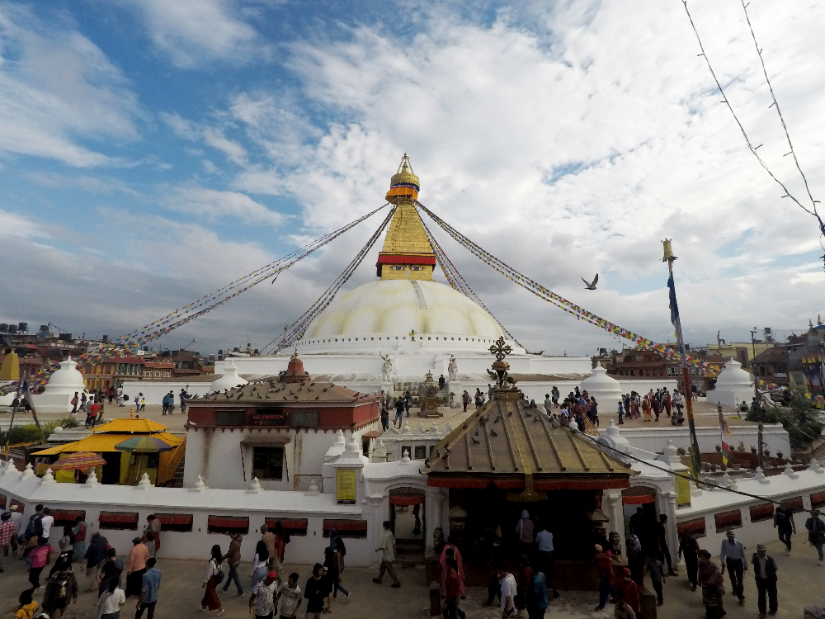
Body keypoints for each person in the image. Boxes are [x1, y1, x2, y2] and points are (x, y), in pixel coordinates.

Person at [719, 529, 746, 604]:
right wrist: (722, 561)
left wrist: (745, 564)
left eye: (732, 536)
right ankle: (735, 589)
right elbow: (722, 552)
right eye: (730, 536)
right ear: (727, 536)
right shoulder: (724, 542)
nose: (731, 538)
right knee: (732, 577)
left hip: (738, 562)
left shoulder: (739, 543)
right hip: (730, 560)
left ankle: (740, 596)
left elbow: (743, 555)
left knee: (740, 579)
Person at [751, 543, 778, 619]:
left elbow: (775, 568)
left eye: (762, 551)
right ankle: (762, 612)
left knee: (772, 595)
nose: (761, 553)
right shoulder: (755, 558)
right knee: (761, 596)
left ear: (765, 552)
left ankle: (773, 609)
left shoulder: (770, 560)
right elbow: (753, 563)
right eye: (759, 551)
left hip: (770, 580)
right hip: (760, 580)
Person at [698, 549, 725, 619]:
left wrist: (711, 581)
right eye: (701, 557)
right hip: (706, 585)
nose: (702, 559)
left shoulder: (713, 566)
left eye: (703, 557)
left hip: (714, 585)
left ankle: (718, 612)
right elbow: (700, 572)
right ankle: (709, 613)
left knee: (715, 600)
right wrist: (699, 580)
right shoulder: (701, 564)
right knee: (707, 600)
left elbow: (716, 574)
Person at [373, 520, 400, 587]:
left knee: (390, 570)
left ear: (384, 526)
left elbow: (383, 547)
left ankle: (397, 582)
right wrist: (395, 551)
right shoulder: (390, 534)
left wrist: (377, 549)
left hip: (386, 555)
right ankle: (379, 579)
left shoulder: (385, 536)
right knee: (382, 567)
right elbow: (394, 543)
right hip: (390, 554)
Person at [534, 523, 557, 599]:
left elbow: (536, 542)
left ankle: (541, 591)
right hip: (550, 554)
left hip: (542, 555)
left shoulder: (539, 534)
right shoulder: (550, 534)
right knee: (550, 572)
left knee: (542, 572)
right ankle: (550, 592)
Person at [201, 544, 224, 615]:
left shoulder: (212, 562)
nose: (210, 551)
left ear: (213, 551)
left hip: (211, 580)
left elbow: (209, 573)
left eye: (212, 550)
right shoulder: (219, 560)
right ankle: (203, 607)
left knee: (212, 594)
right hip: (216, 579)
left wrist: (205, 582)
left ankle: (220, 609)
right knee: (208, 593)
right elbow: (220, 569)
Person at [221, 531, 244, 598]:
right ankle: (224, 588)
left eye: (230, 535)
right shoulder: (239, 539)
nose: (230, 537)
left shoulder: (234, 542)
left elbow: (230, 553)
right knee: (231, 575)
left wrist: (222, 558)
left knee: (235, 576)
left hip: (233, 560)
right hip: (237, 558)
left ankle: (240, 591)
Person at [593, 544, 614, 611]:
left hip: (605, 574)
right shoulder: (604, 554)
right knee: (610, 587)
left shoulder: (606, 554)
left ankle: (601, 605)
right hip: (605, 573)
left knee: (603, 590)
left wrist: (612, 574)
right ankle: (616, 598)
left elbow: (608, 566)